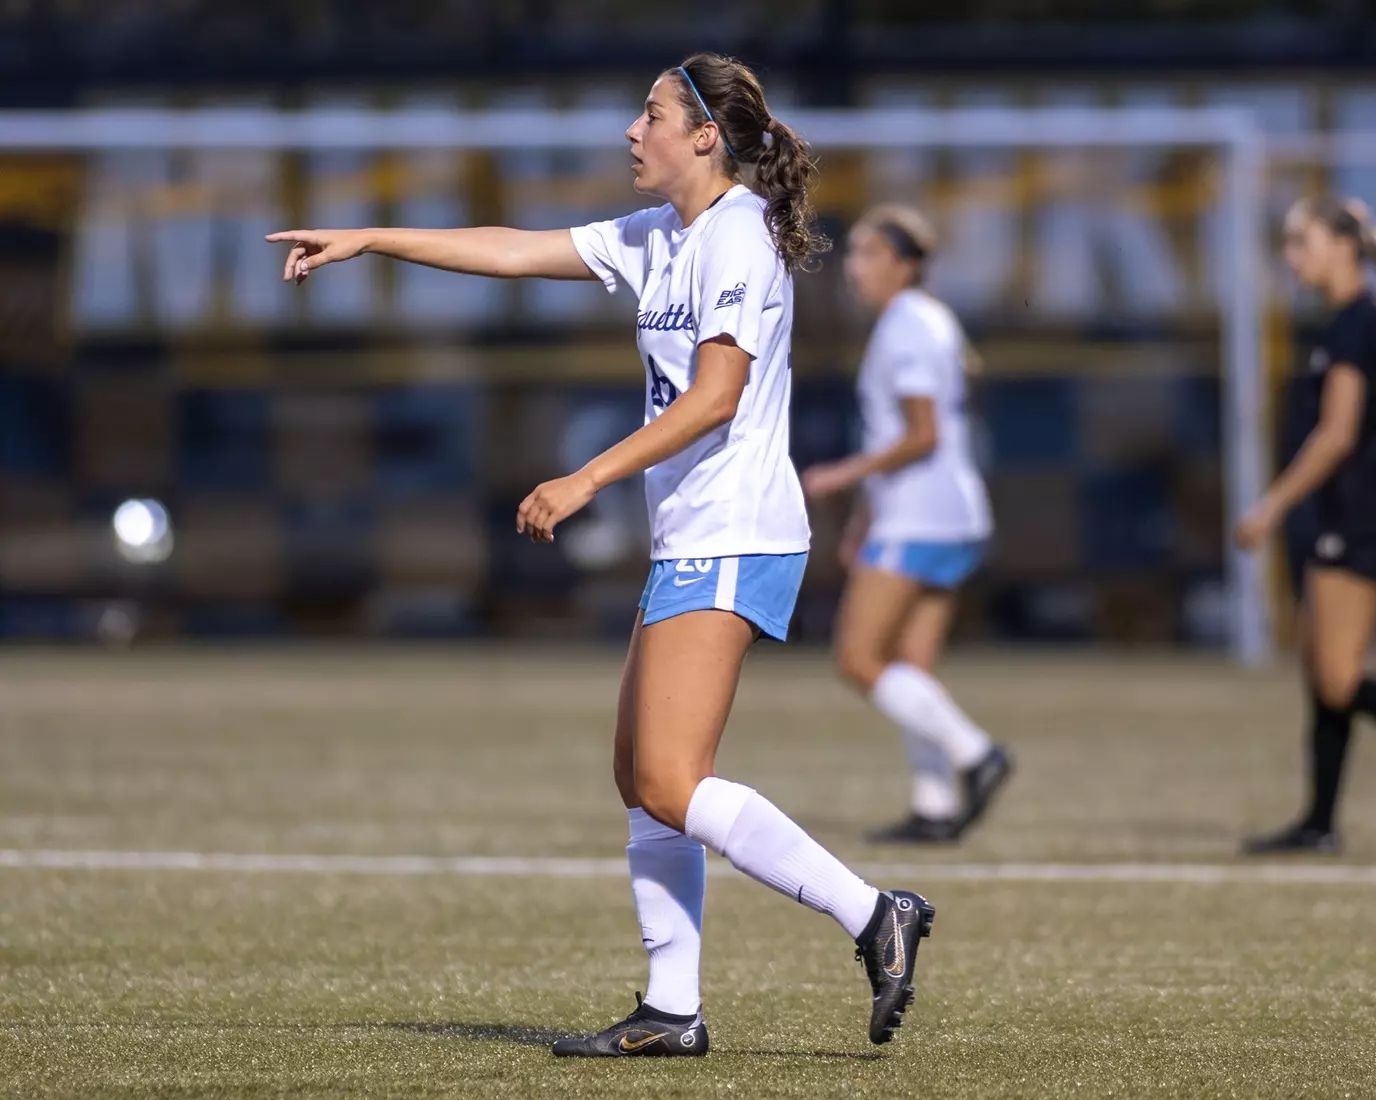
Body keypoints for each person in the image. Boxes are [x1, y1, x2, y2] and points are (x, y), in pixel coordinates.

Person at [268, 53, 935, 1055]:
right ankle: (671, 1010)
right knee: (639, 777)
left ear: (703, 136)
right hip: (694, 535)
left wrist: (584, 479)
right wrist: (370, 239)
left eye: (652, 113)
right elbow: (511, 251)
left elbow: (716, 397)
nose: (632, 129)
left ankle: (874, 912)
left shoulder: (736, 236)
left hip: (736, 530)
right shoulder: (660, 233)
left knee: (670, 779)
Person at [801, 205, 1011, 844]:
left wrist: (843, 475)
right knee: (912, 667)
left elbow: (922, 435)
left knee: (858, 658)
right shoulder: (928, 319)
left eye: (868, 254)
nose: (853, 269)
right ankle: (934, 805)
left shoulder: (906, 327)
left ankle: (976, 753)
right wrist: (865, 515)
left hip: (920, 514)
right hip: (948, 512)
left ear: (903, 263)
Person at [1238, 195, 1376, 854]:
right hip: (1342, 515)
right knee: (1319, 671)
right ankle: (1319, 822)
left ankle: (1320, 823)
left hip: (1357, 518)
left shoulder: (1355, 325)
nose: (1292, 258)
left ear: (1343, 246)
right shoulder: (1343, 324)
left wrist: (1271, 504)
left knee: (1338, 676)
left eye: (1303, 242)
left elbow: (1337, 434)